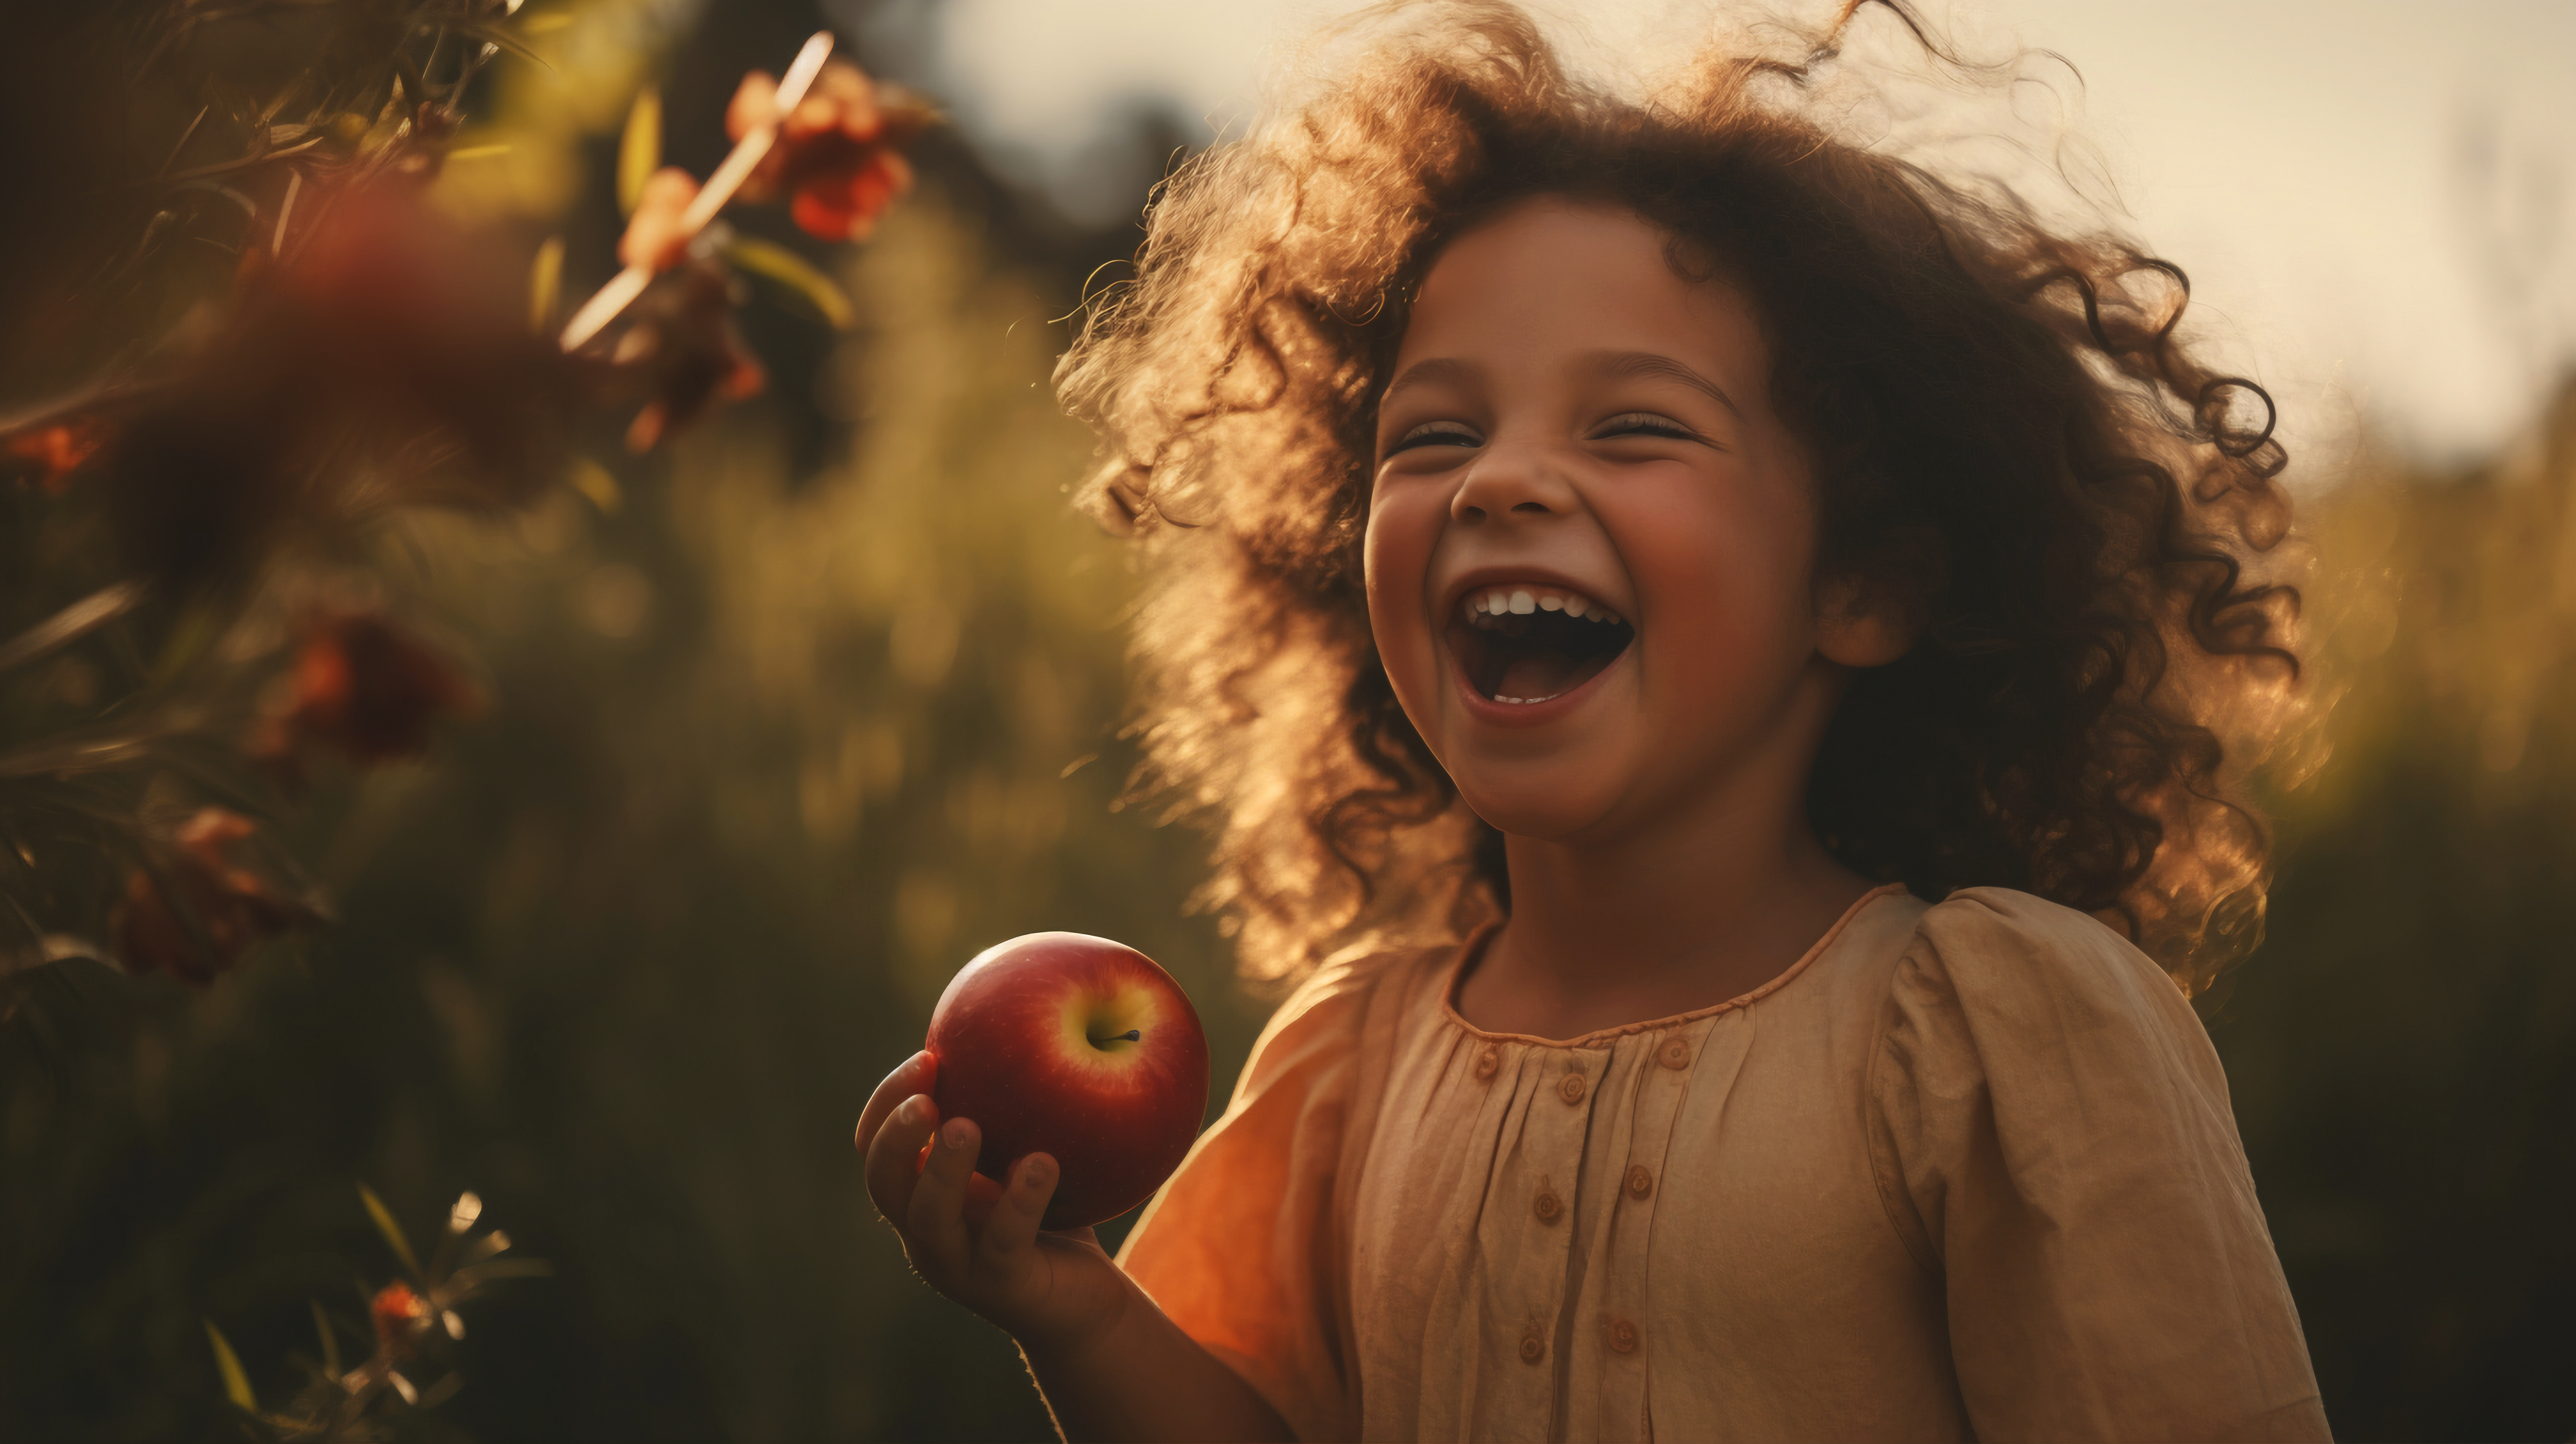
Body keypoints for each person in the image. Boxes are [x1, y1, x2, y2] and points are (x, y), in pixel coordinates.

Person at [857, 2, 2327, 1438]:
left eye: (1634, 427)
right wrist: (1079, 1312)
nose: (1500, 483)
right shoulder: (1355, 1064)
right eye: (1434, 435)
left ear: (1864, 584)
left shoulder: (1990, 1033)